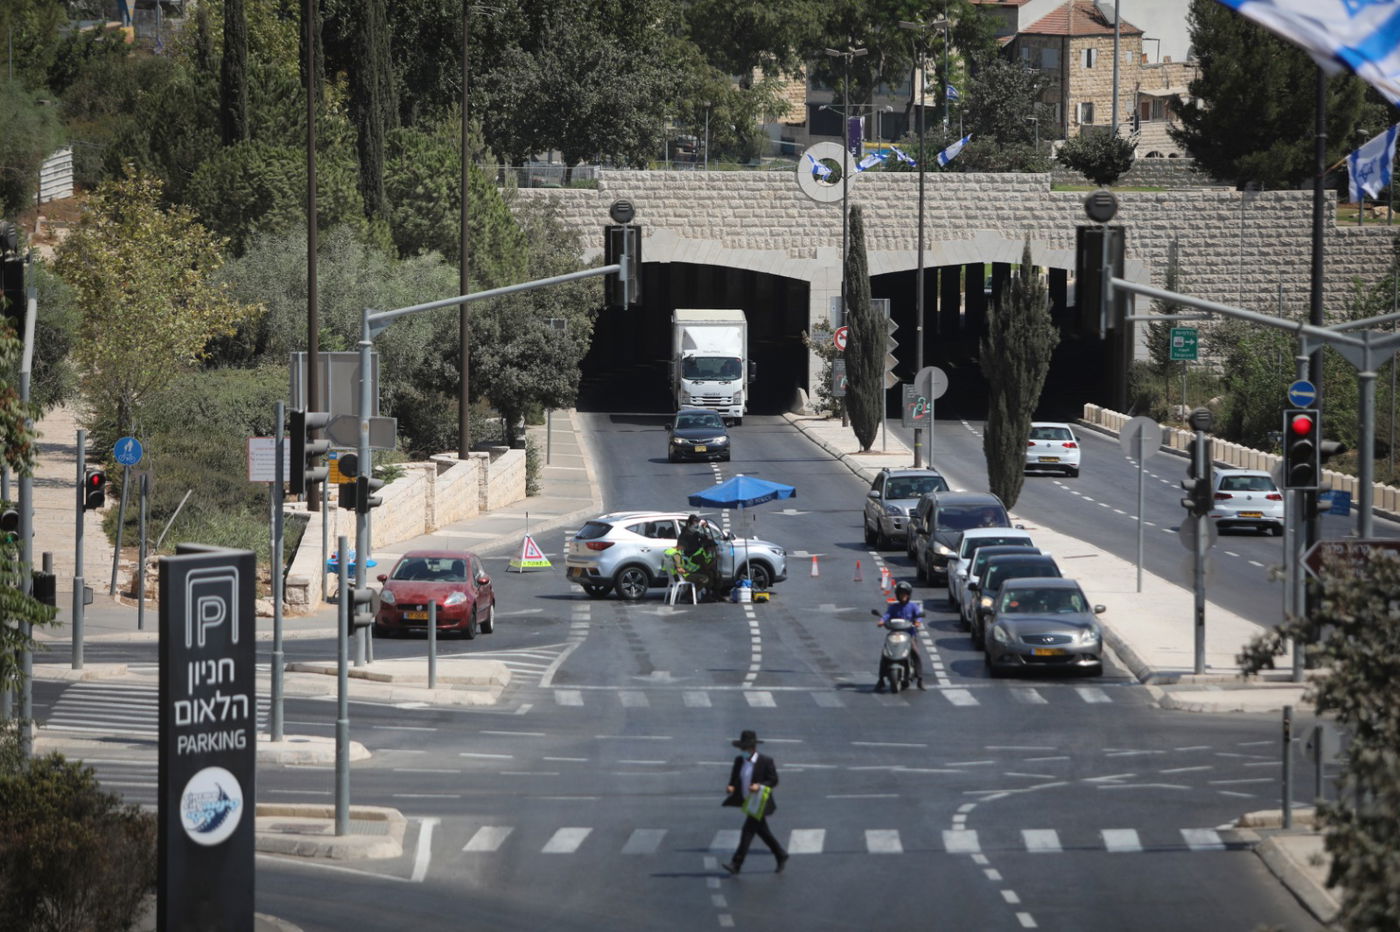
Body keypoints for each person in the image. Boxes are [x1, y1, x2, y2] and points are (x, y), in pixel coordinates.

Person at [720, 730, 788, 875]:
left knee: (748, 831)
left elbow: (773, 780)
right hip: (747, 801)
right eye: (741, 749)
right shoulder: (739, 761)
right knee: (763, 832)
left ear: (753, 748)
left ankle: (736, 864)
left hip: (759, 802)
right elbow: (734, 777)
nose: (743, 751)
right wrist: (731, 786)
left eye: (745, 749)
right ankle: (781, 854)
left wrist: (760, 785)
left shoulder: (765, 761)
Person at [877, 581, 926, 691]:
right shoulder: (894, 607)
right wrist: (881, 621)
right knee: (885, 654)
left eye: (905, 594)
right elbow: (887, 615)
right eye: (901, 594)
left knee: (915, 652)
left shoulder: (913, 606)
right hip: (895, 635)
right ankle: (880, 680)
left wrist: (918, 621)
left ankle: (920, 679)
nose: (903, 596)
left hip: (909, 636)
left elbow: (918, 615)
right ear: (897, 595)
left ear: (908, 595)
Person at [678, 514, 720, 601]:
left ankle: (710, 594)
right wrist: (713, 560)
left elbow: (706, 537)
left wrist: (706, 528)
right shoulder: (685, 536)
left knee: (713, 572)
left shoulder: (695, 534)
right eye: (695, 523)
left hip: (695, 562)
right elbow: (685, 550)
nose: (696, 525)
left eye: (697, 522)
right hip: (690, 565)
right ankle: (690, 594)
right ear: (689, 524)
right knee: (709, 573)